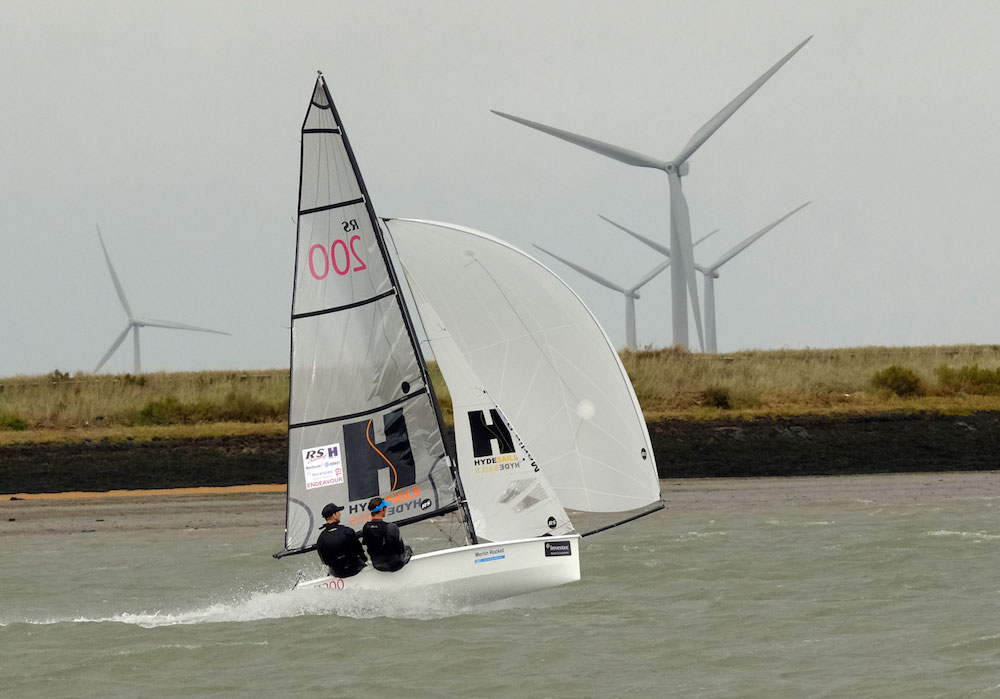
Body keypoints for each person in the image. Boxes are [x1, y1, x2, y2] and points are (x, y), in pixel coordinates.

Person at [316, 502, 367, 578]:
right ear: (334, 515)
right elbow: (360, 552)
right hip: (355, 569)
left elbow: (325, 561)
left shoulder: (321, 538)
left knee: (332, 568)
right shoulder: (347, 531)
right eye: (338, 512)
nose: (340, 514)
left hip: (338, 573)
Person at [362, 497, 412, 572]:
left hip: (376, 564)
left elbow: (367, 544)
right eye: (385, 507)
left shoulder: (366, 527)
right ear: (381, 509)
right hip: (392, 564)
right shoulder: (391, 527)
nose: (386, 510)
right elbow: (401, 549)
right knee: (408, 549)